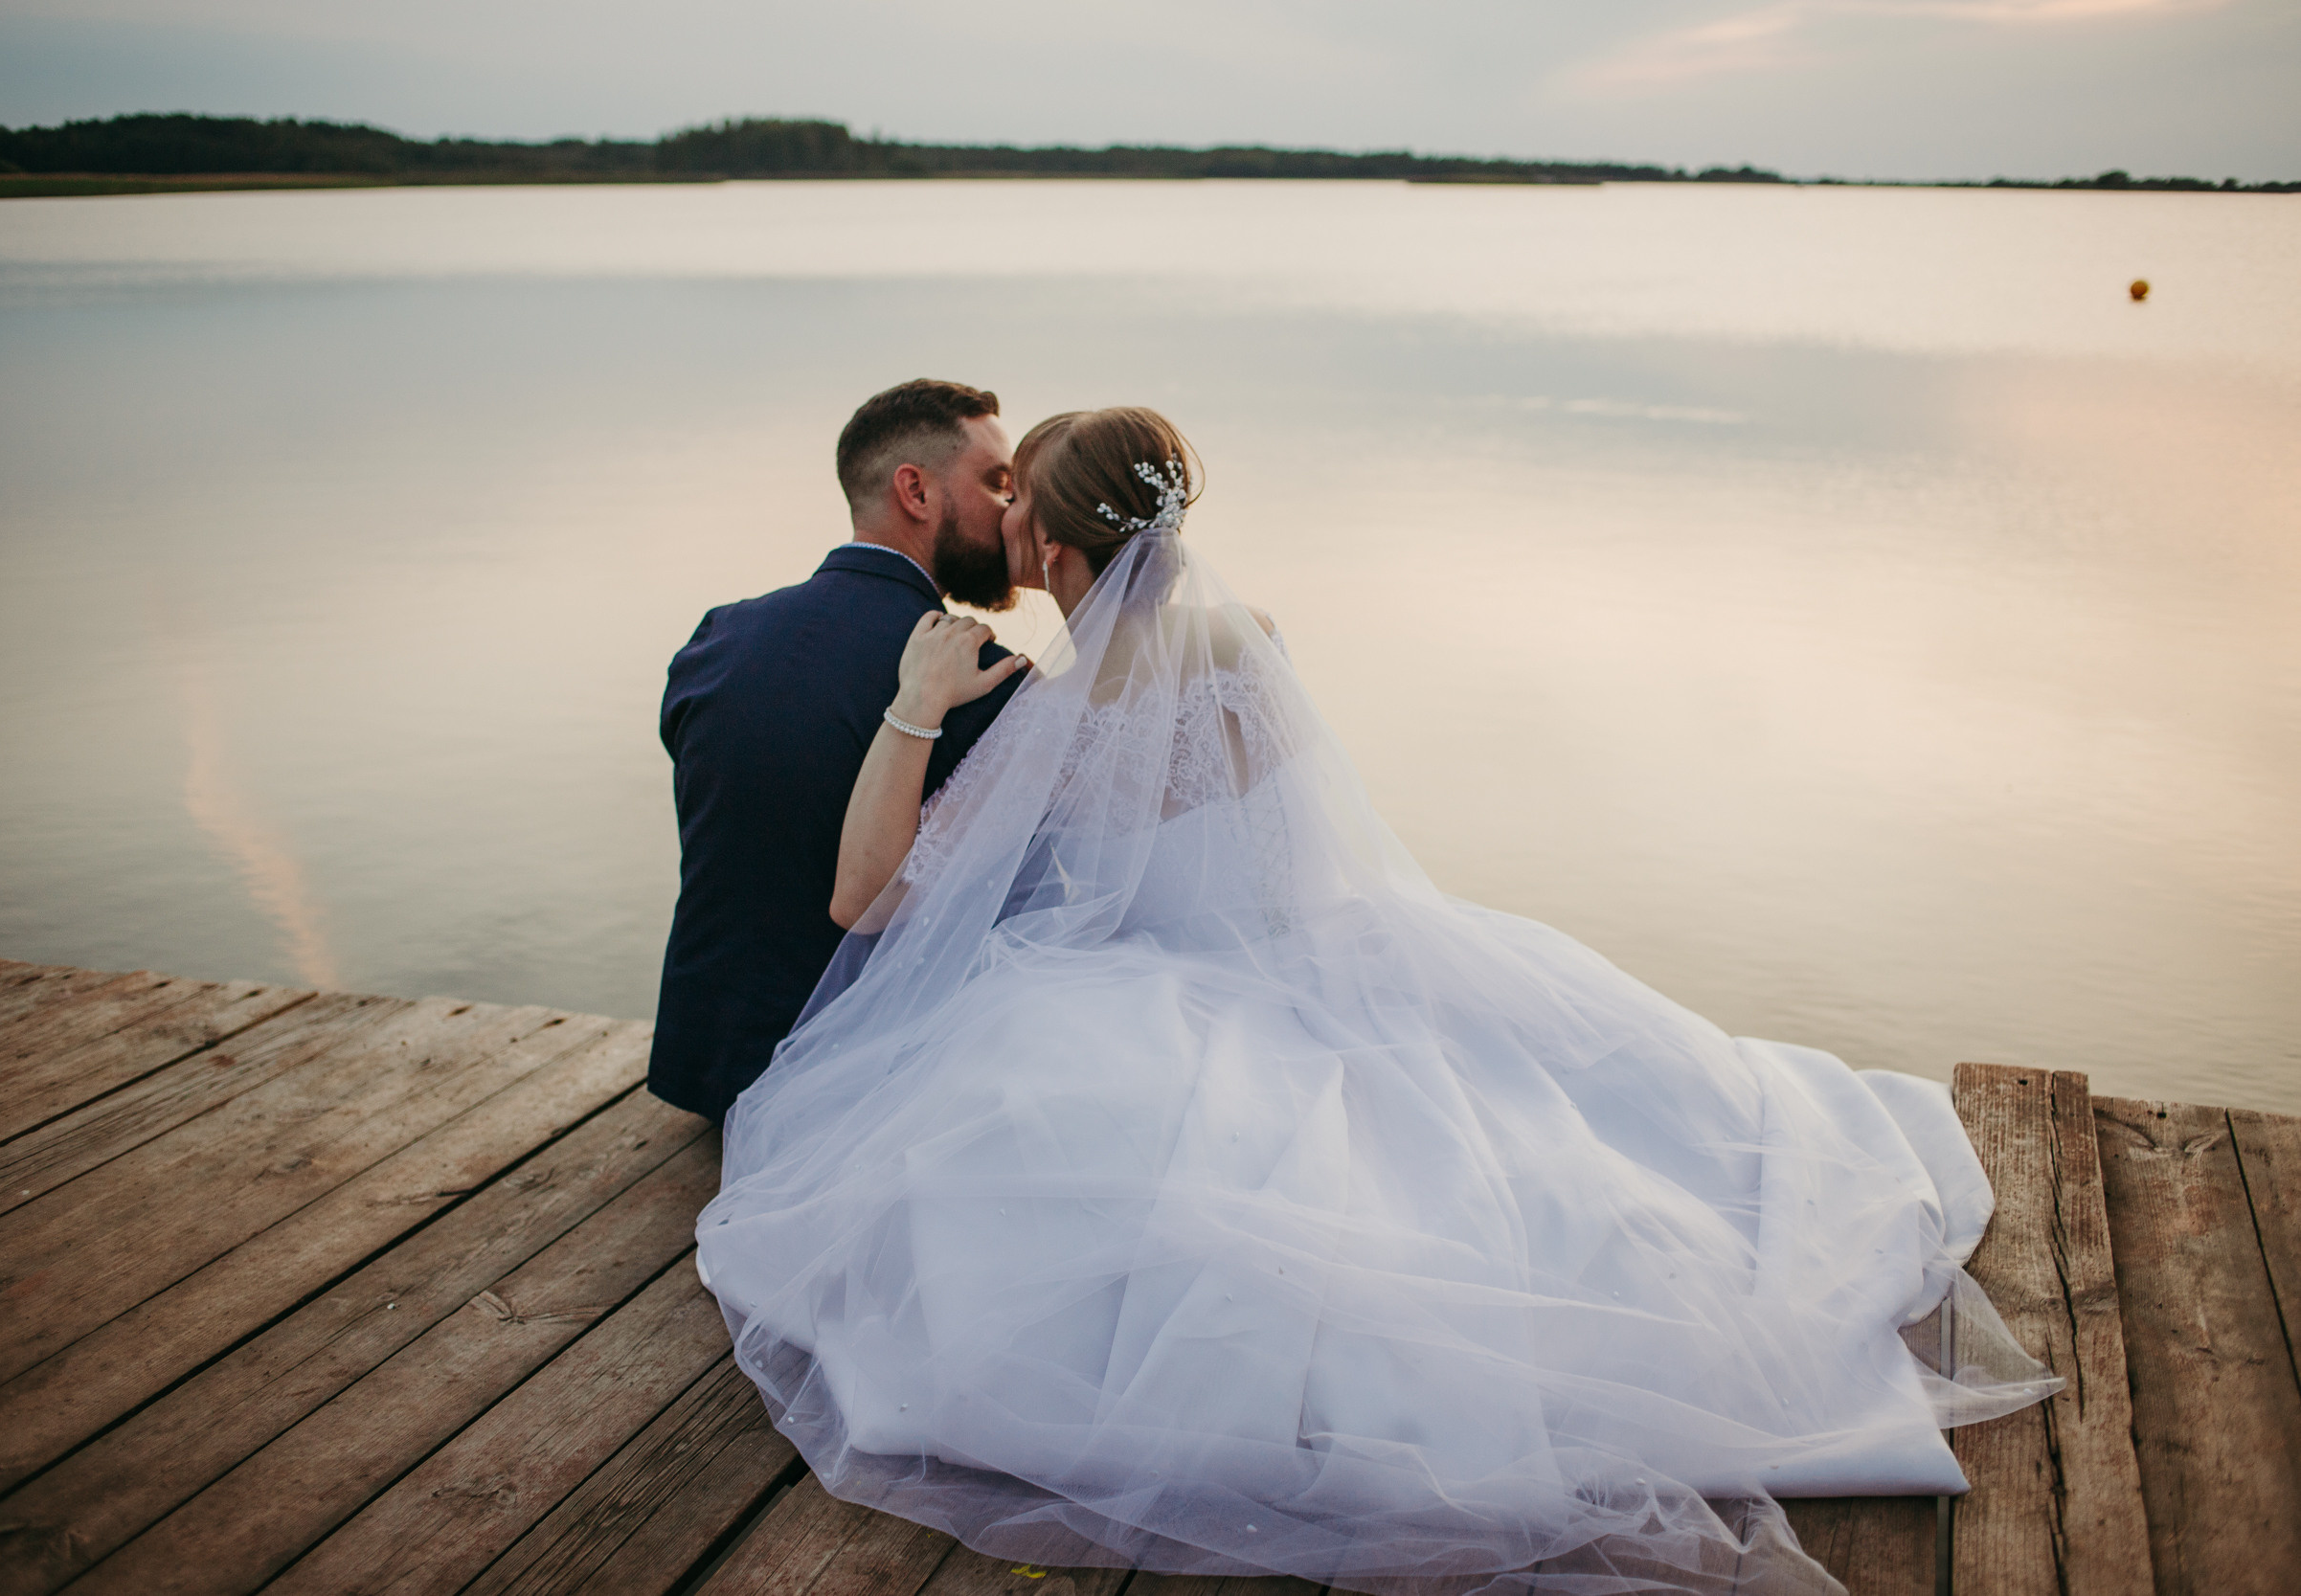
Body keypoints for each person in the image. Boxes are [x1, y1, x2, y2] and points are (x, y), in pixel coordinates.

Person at [694, 407, 2060, 1595]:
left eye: (1020, 501)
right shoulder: (1247, 635)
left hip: (1149, 1000)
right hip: (1329, 956)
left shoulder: (1046, 711)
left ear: (1052, 549)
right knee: (1559, 1136)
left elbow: (866, 902)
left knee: (1003, 1168)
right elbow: (1274, 837)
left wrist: (918, 702)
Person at [647, 379, 1030, 1125]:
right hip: (851, 1096)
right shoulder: (980, 678)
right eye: (996, 483)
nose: (1011, 510)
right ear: (914, 490)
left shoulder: (717, 638)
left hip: (703, 1068)